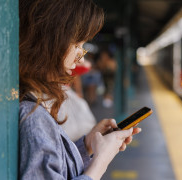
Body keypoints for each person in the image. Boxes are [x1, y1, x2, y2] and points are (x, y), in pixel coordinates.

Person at [18, 0, 141, 179]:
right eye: (77, 45)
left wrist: (88, 143)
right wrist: (100, 162)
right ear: (49, 43)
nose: (81, 60)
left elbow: (55, 165)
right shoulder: (34, 117)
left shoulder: (28, 104)